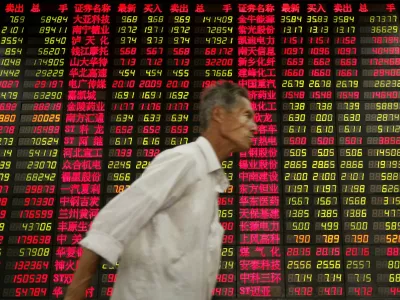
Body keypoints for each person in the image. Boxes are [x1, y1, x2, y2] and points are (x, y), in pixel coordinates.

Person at [64, 80, 257, 300]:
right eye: (246, 115)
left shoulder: (208, 178)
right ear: (219, 115)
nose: (254, 127)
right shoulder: (185, 160)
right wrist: (74, 295)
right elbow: (109, 225)